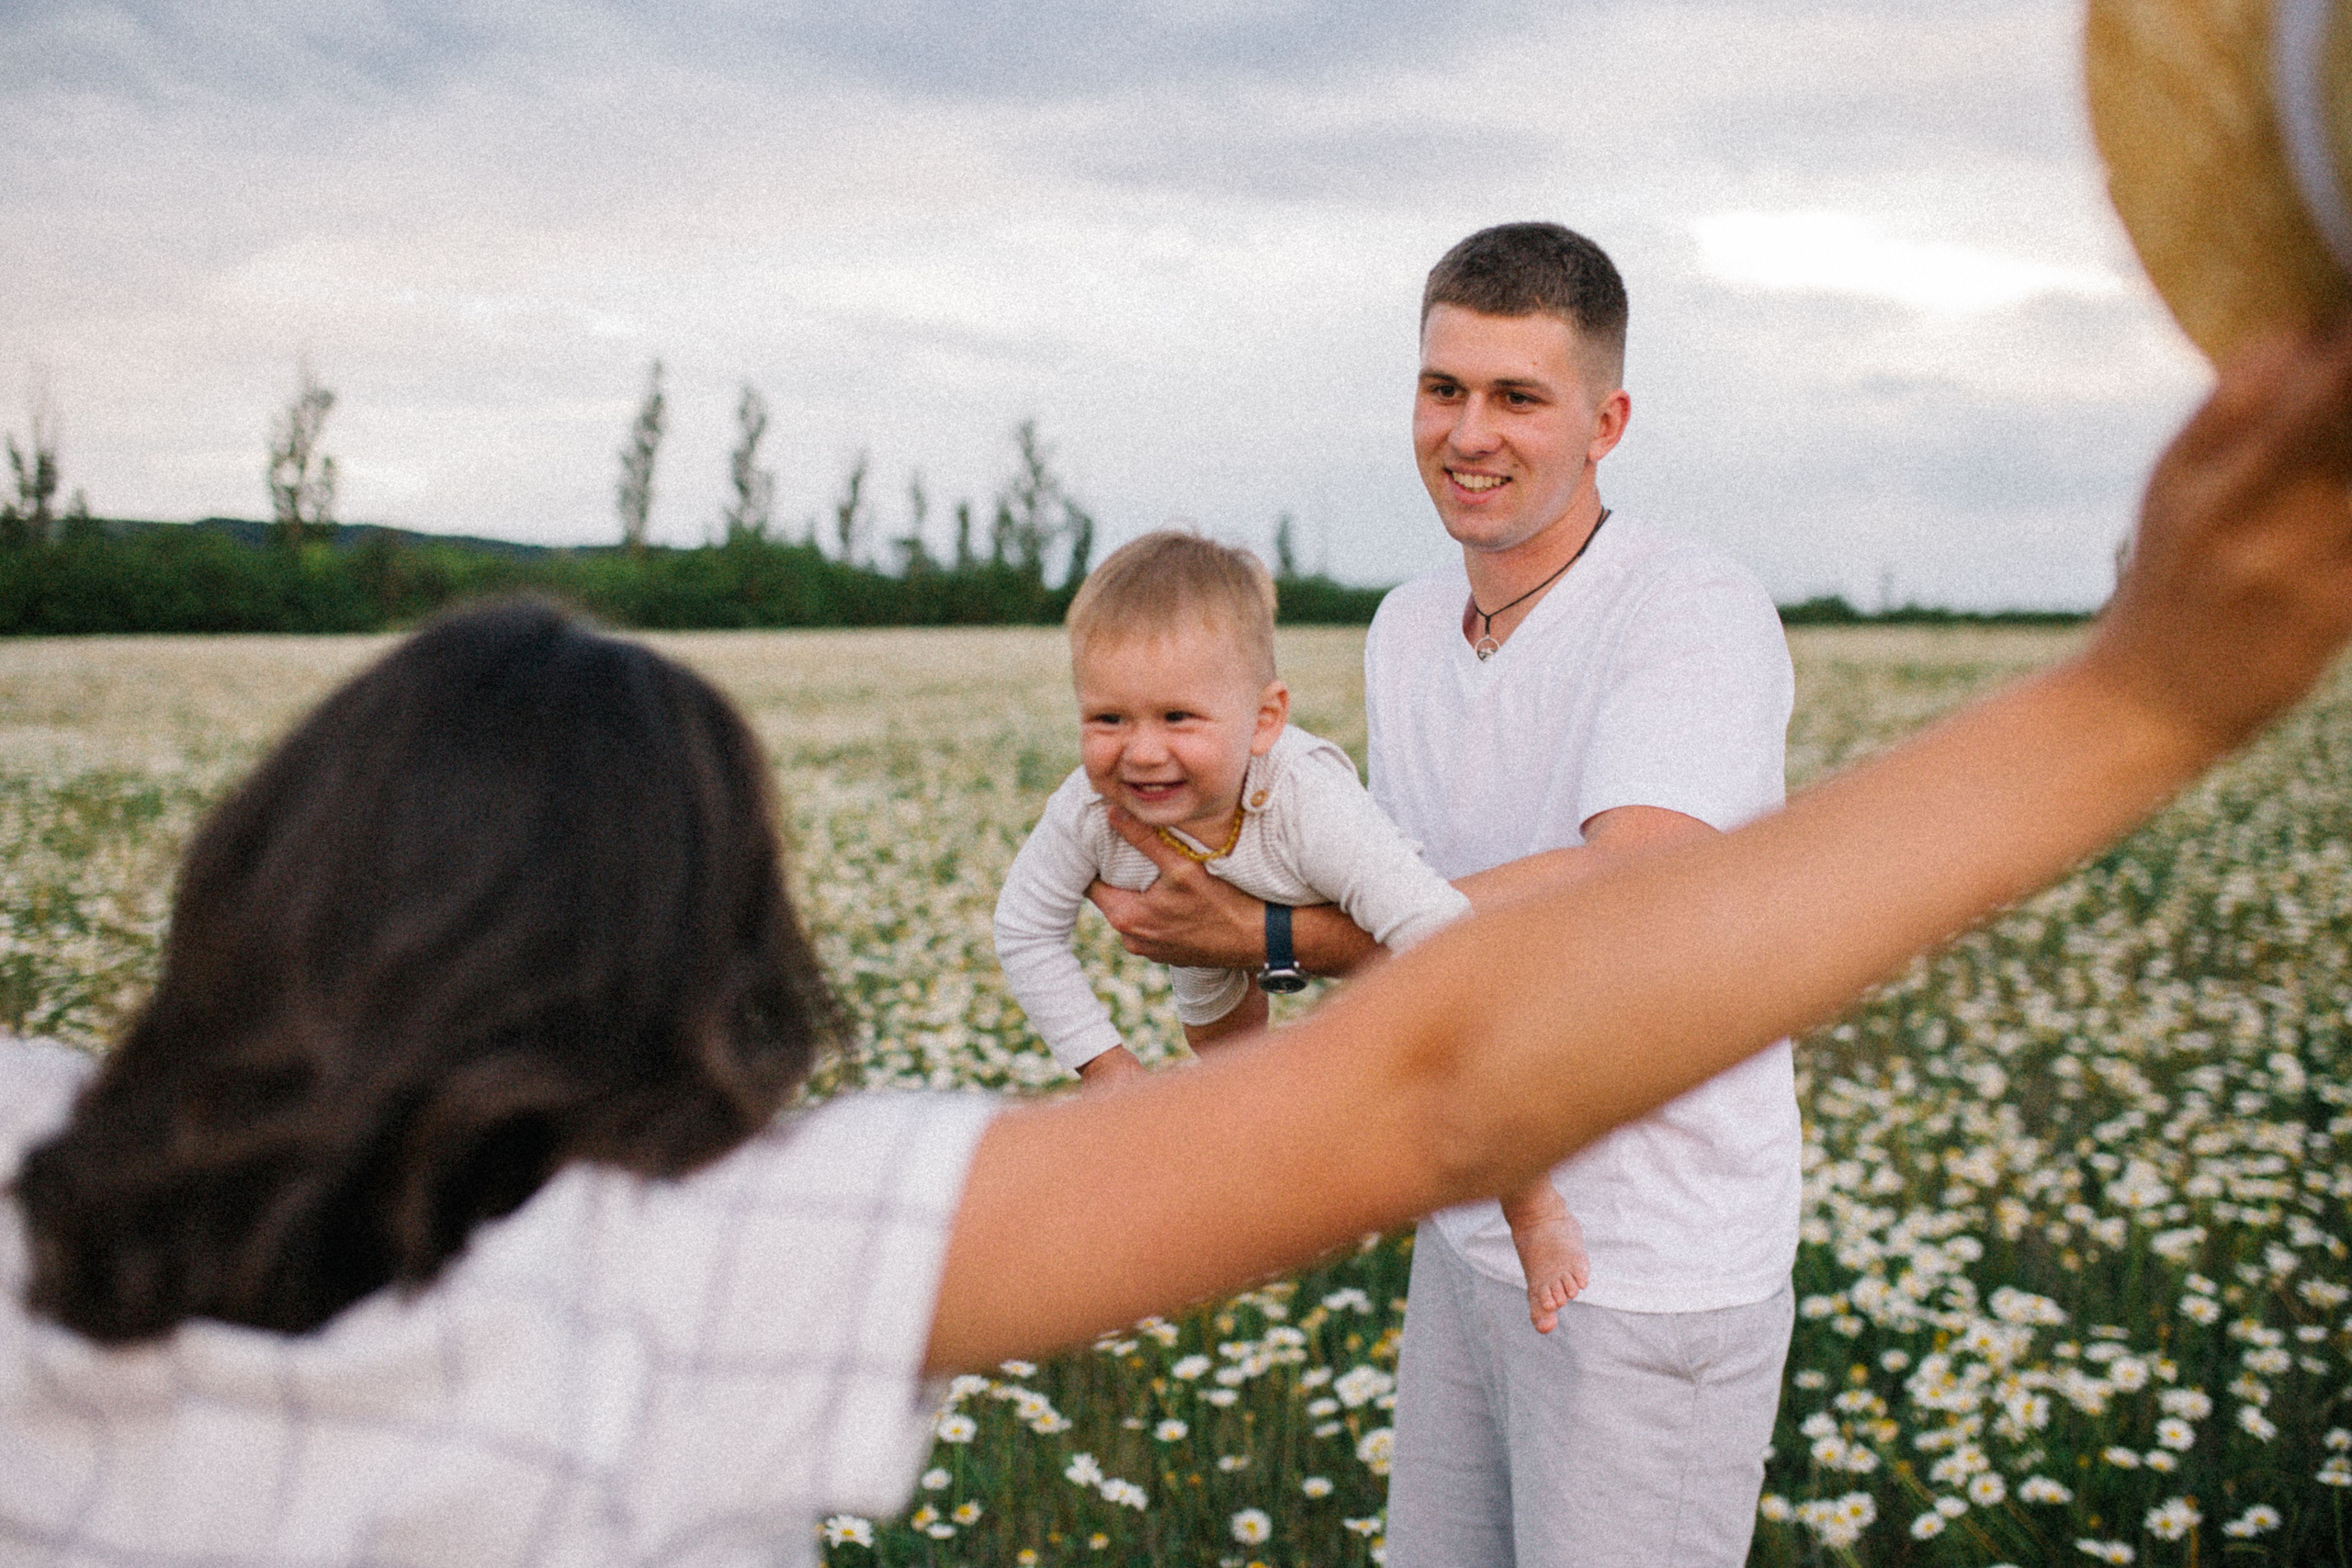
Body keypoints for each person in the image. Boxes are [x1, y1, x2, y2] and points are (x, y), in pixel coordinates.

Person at [3, 324, 2350, 1567]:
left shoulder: (28, 1154)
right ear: (696, 976)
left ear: (258, 875)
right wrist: (2145, 690)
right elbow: (1432, 1070)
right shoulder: (718, 1261)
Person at [1091, 221, 1801, 1562]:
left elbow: (1631, 878)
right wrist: (1170, 839)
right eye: (1444, 388)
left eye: (1518, 397)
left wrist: (1273, 937)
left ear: (1608, 419)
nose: (1469, 433)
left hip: (1649, 1249)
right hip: (1471, 1213)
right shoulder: (1410, 623)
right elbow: (1402, 892)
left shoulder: (1690, 605)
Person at [994, 528, 1590, 1324]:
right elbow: (1024, 929)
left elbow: (1439, 931)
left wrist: (1411, 1032)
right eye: (1107, 719)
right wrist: (1109, 1072)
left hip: (1333, 894)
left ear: (1266, 718)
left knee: (1460, 1038)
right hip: (1198, 932)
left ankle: (1535, 1205)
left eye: (1178, 716)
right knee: (1232, 1077)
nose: (1141, 753)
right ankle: (1256, 1197)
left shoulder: (1312, 804)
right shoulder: (1085, 811)